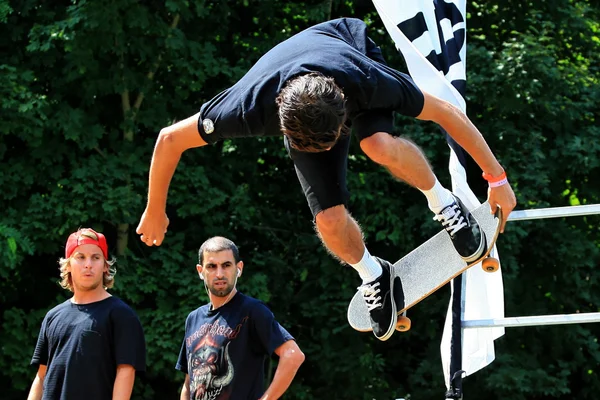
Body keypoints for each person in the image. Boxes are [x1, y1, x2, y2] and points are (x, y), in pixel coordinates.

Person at [136, 18, 517, 341]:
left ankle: (445, 204)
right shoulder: (246, 108)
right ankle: (373, 273)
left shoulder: (369, 80)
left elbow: (448, 113)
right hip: (292, 93)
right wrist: (155, 208)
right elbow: (169, 140)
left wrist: (496, 179)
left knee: (378, 144)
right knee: (327, 219)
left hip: (348, 46)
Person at [176, 236, 304, 400]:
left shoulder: (252, 311)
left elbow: (293, 355)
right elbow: (189, 382)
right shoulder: (193, 319)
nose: (220, 273)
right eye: (212, 266)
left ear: (239, 268)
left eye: (226, 265)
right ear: (201, 272)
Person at [28, 228, 146, 400]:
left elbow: (125, 371)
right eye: (80, 257)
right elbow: (41, 376)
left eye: (96, 257)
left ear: (106, 266)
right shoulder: (52, 316)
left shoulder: (121, 315)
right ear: (68, 265)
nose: (88, 264)